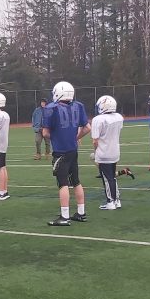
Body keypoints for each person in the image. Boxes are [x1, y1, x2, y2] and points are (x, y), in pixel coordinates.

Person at [43, 80, 92, 223]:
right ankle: (81, 213)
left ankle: (64, 216)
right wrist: (75, 137)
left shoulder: (51, 108)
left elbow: (45, 133)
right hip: (72, 150)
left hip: (60, 151)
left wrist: (58, 137)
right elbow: (87, 128)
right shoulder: (78, 106)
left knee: (63, 183)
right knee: (76, 181)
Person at [91, 94, 125, 209]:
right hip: (115, 151)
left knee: (107, 178)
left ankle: (110, 201)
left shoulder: (98, 119)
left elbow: (95, 140)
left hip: (104, 152)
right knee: (112, 177)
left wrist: (96, 153)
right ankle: (117, 200)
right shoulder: (119, 117)